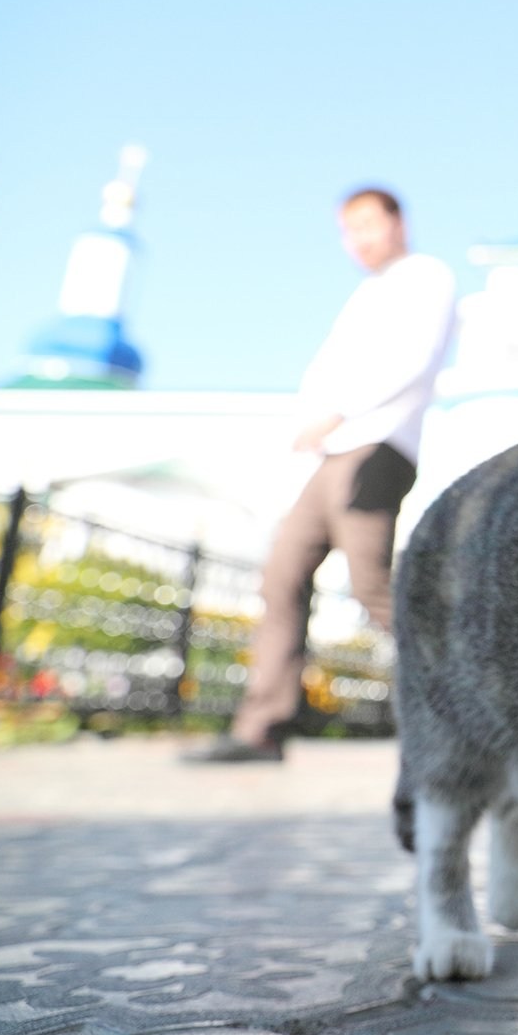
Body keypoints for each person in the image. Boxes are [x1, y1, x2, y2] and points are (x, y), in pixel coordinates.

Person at [187, 187, 457, 762]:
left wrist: (341, 412)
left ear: (396, 222)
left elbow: (414, 358)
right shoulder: (366, 294)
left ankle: (472, 705)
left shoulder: (426, 277)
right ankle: (262, 727)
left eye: (366, 223)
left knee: (372, 588)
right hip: (330, 455)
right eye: (345, 230)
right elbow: (326, 373)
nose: (355, 239)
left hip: (378, 448)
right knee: (281, 576)